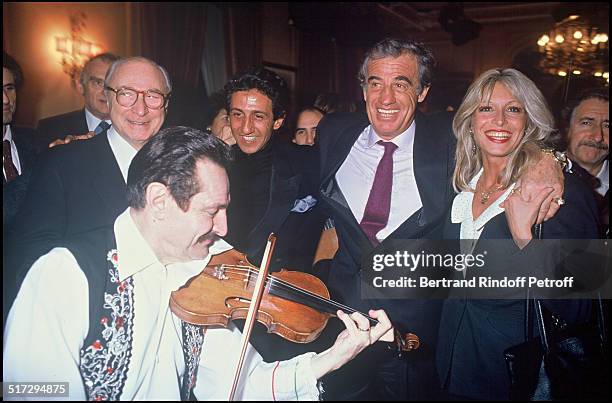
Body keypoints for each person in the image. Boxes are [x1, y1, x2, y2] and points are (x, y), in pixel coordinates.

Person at [3, 126, 394, 400]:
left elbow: (241, 385)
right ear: (158, 201)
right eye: (212, 211)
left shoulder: (201, 276)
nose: (224, 226)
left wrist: (334, 355)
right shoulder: (64, 277)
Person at [315, 38, 565, 400]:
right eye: (375, 83)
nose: (386, 99)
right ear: (363, 88)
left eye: (401, 83)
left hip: (420, 336)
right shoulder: (334, 133)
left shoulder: (449, 139)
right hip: (342, 320)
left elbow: (504, 130)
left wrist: (550, 160)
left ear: (422, 91)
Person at [435, 68, 599, 400]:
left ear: (529, 120)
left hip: (518, 381)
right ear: (469, 120)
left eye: (513, 109)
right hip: (452, 372)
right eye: (486, 108)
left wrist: (525, 238)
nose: (499, 120)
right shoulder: (460, 191)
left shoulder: (560, 194)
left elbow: (582, 306)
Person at [5, 57, 171, 322]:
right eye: (126, 94)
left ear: (166, 102)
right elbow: (30, 261)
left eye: (153, 95)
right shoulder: (62, 163)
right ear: (108, 97)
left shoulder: (182, 166)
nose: (141, 109)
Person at [37, 53, 120, 145]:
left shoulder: (135, 129)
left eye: (112, 84)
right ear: (80, 86)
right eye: (98, 83)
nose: (105, 92)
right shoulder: (50, 129)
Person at [563, 88, 609, 237]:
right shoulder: (535, 173)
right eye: (586, 123)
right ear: (568, 129)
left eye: (607, 126)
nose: (597, 137)